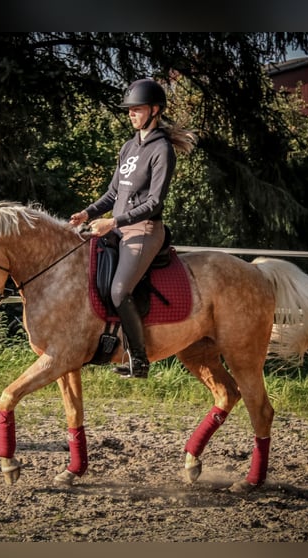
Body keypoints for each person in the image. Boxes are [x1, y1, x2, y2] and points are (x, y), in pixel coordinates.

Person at [70, 78, 196, 378]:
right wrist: (87, 213)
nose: (131, 114)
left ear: (154, 110)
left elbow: (154, 202)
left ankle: (138, 359)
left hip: (144, 230)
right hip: (117, 227)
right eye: (129, 109)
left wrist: (113, 221)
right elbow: (114, 194)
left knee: (119, 290)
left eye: (137, 109)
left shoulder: (162, 150)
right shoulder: (129, 147)